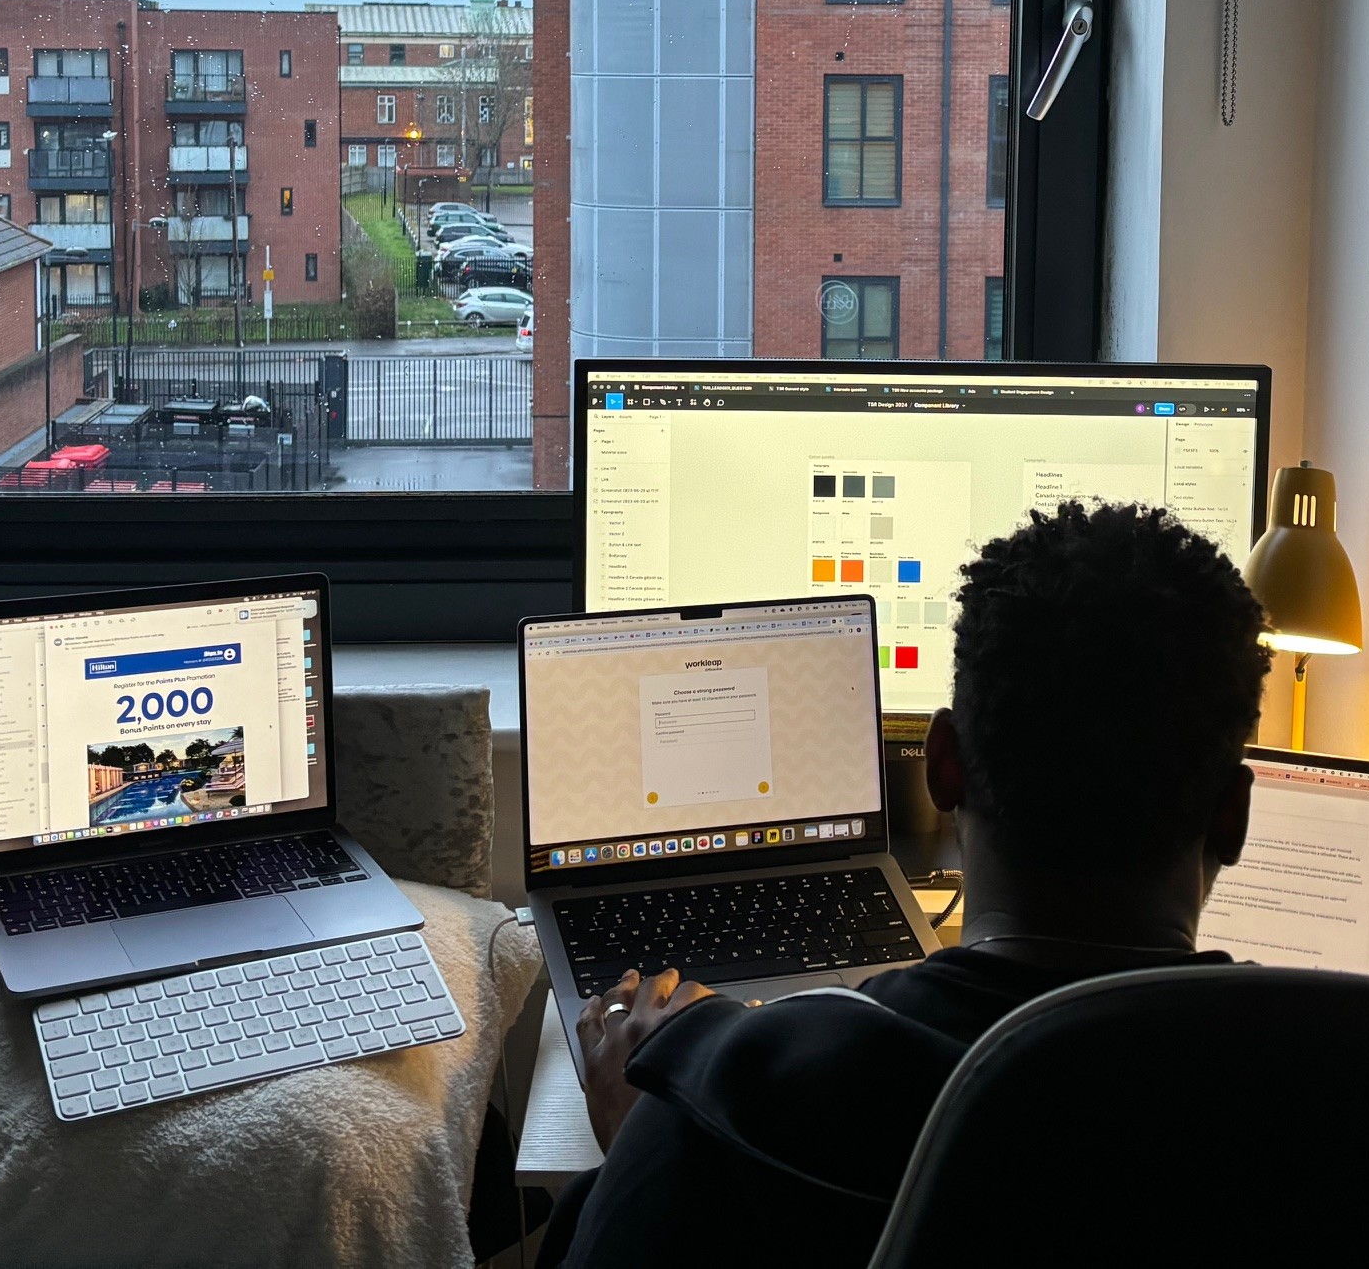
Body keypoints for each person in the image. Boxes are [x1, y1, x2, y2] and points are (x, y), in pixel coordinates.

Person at [535, 500, 1272, 1269]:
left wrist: (643, 1139)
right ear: (1234, 814)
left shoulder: (736, 1093)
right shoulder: (1354, 1091)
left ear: (943, 765)